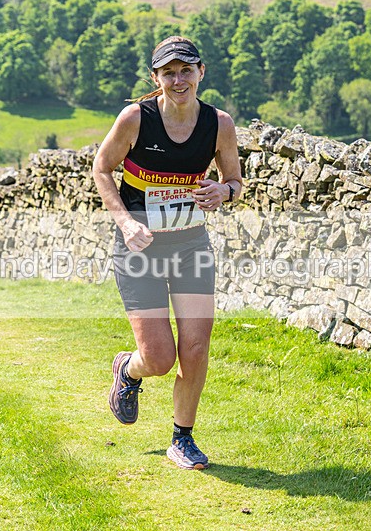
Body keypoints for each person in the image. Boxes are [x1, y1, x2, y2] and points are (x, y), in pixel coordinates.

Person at [92, 36, 242, 470]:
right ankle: (129, 369)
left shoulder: (220, 124)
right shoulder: (136, 118)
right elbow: (102, 168)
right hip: (139, 249)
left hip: (191, 244)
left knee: (195, 349)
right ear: (155, 79)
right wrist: (125, 221)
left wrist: (223, 191)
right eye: (169, 73)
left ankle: (183, 437)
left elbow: (234, 180)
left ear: (201, 73)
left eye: (186, 70)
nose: (179, 80)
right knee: (159, 358)